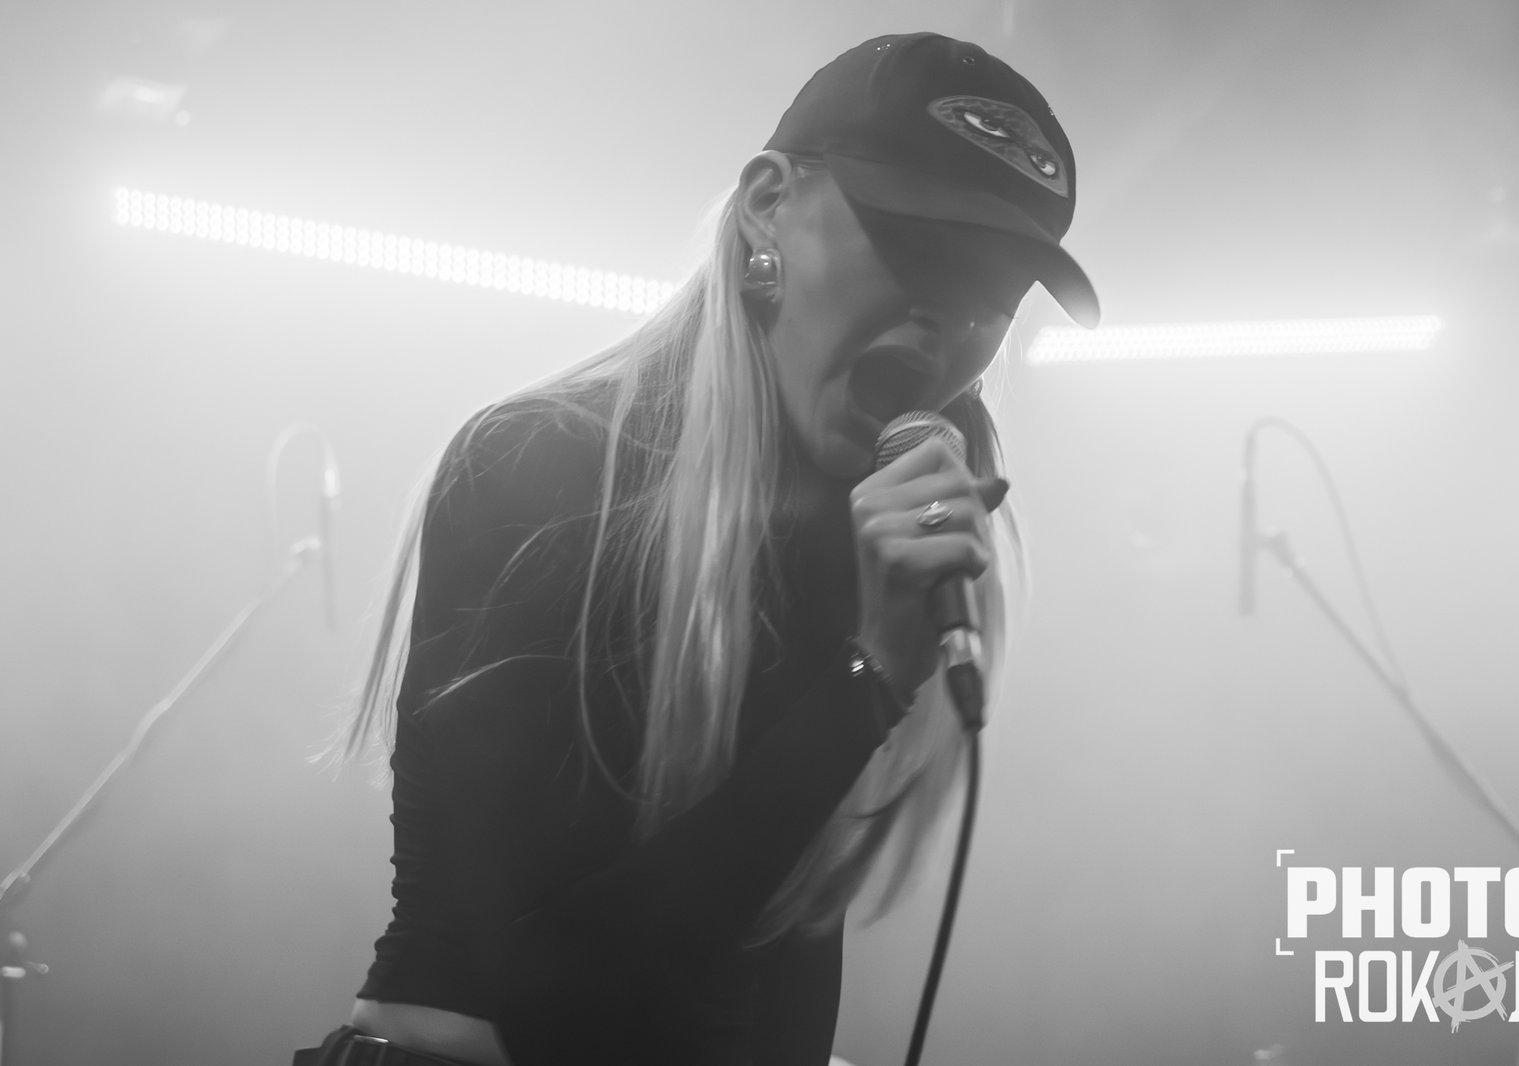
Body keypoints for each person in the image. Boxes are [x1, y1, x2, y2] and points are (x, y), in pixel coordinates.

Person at [299, 30, 1098, 1066]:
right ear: (767, 205)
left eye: (995, 290)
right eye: (917, 246)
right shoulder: (544, 466)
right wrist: (864, 681)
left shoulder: (868, 538)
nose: (950, 316)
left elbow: (764, 951)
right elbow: (555, 989)